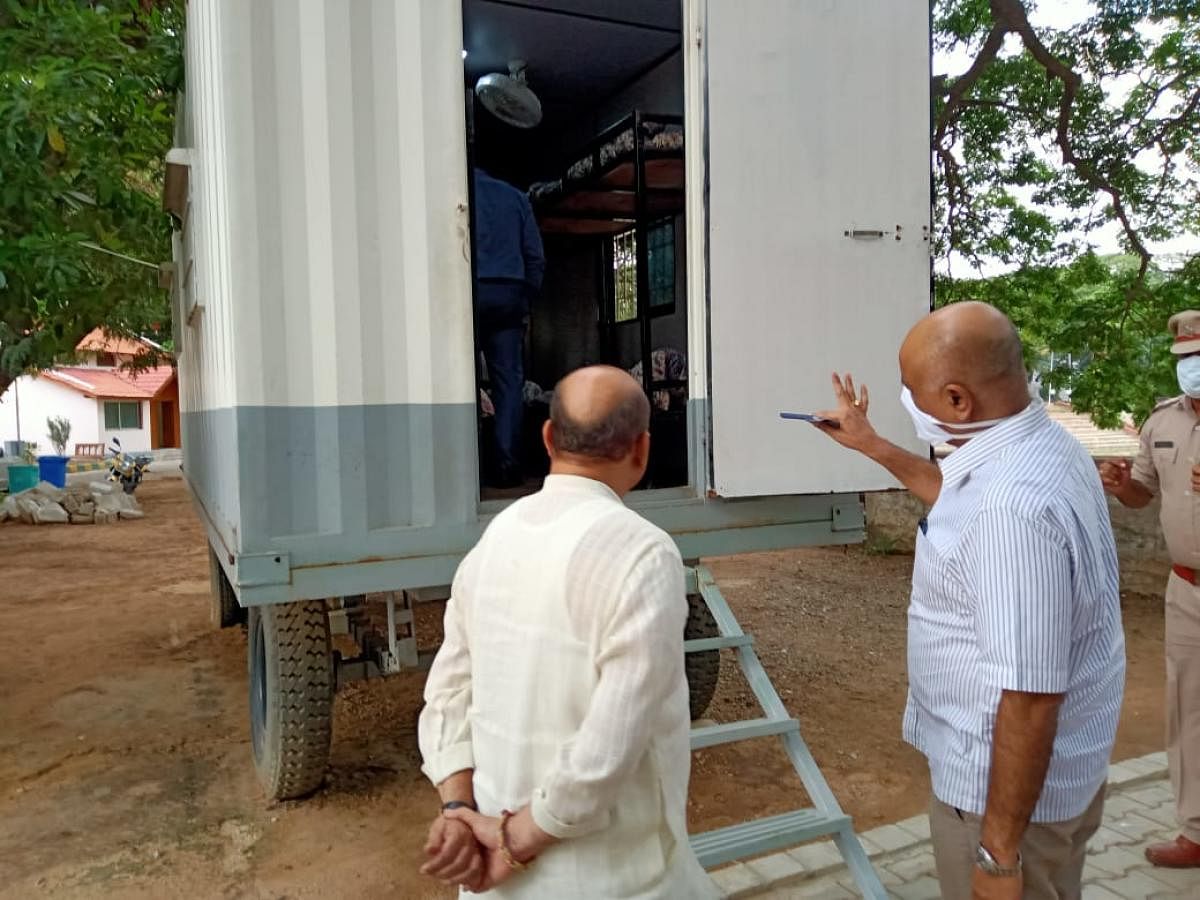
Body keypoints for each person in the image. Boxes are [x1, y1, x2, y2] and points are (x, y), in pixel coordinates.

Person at [813, 302, 1125, 900]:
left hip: (1005, 811)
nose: (906, 401)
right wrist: (872, 444)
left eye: (912, 391)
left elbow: (1031, 695)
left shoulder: (1012, 508)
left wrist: (998, 856)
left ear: (958, 401)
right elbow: (958, 502)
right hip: (1053, 791)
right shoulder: (1040, 446)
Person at [417, 365, 716, 898]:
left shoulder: (496, 538)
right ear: (643, 450)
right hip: (617, 880)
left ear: (548, 438)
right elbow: (609, 745)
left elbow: (446, 695)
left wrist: (460, 808)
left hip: (494, 884)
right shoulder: (644, 554)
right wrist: (513, 842)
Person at [1100, 309, 1200, 869]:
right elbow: (1142, 493)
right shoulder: (1162, 422)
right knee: (1188, 709)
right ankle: (1196, 831)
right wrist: (1121, 487)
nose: (1193, 368)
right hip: (1186, 590)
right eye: (1186, 359)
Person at [472, 165, 545, 488]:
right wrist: (525, 296)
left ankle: (464, 467)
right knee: (508, 384)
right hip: (509, 293)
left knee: (458, 381)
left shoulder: (456, 193)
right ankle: (506, 465)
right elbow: (535, 256)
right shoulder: (516, 197)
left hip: (468, 289)